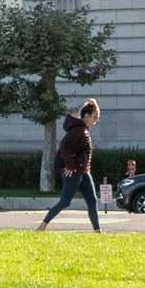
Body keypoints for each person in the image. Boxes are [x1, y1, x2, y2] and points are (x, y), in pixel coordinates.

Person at [38, 99, 102, 231]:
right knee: (65, 201)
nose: (96, 120)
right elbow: (64, 147)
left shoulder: (83, 129)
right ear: (87, 115)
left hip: (83, 171)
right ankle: (42, 226)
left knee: (92, 200)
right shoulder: (78, 129)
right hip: (74, 172)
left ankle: (97, 231)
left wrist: (82, 167)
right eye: (95, 117)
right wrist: (70, 165)